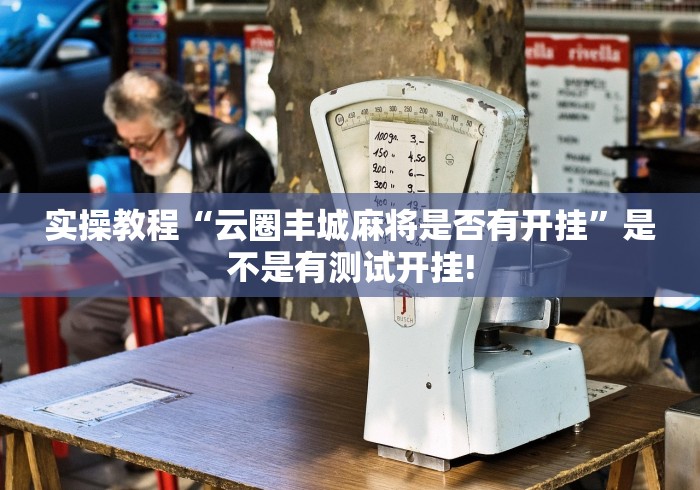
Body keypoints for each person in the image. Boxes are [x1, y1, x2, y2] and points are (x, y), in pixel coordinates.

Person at [60, 69, 276, 361]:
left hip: (220, 294)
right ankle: (135, 383)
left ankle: (160, 385)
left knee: (140, 335)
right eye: (127, 143)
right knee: (78, 326)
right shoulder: (147, 153)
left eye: (141, 143)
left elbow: (249, 248)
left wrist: (165, 231)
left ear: (177, 125)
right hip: (162, 282)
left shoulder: (237, 155)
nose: (134, 155)